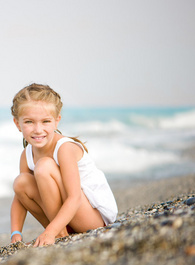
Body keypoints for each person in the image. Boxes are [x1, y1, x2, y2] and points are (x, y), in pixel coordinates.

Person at [10, 83, 118, 247]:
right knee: (21, 182)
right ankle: (60, 231)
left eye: (46, 121)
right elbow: (20, 198)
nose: (38, 129)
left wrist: (49, 232)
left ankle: (57, 232)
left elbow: (74, 198)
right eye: (29, 122)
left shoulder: (64, 148)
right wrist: (15, 233)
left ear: (56, 121)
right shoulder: (26, 155)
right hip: (66, 219)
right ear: (18, 124)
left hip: (93, 217)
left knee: (44, 166)